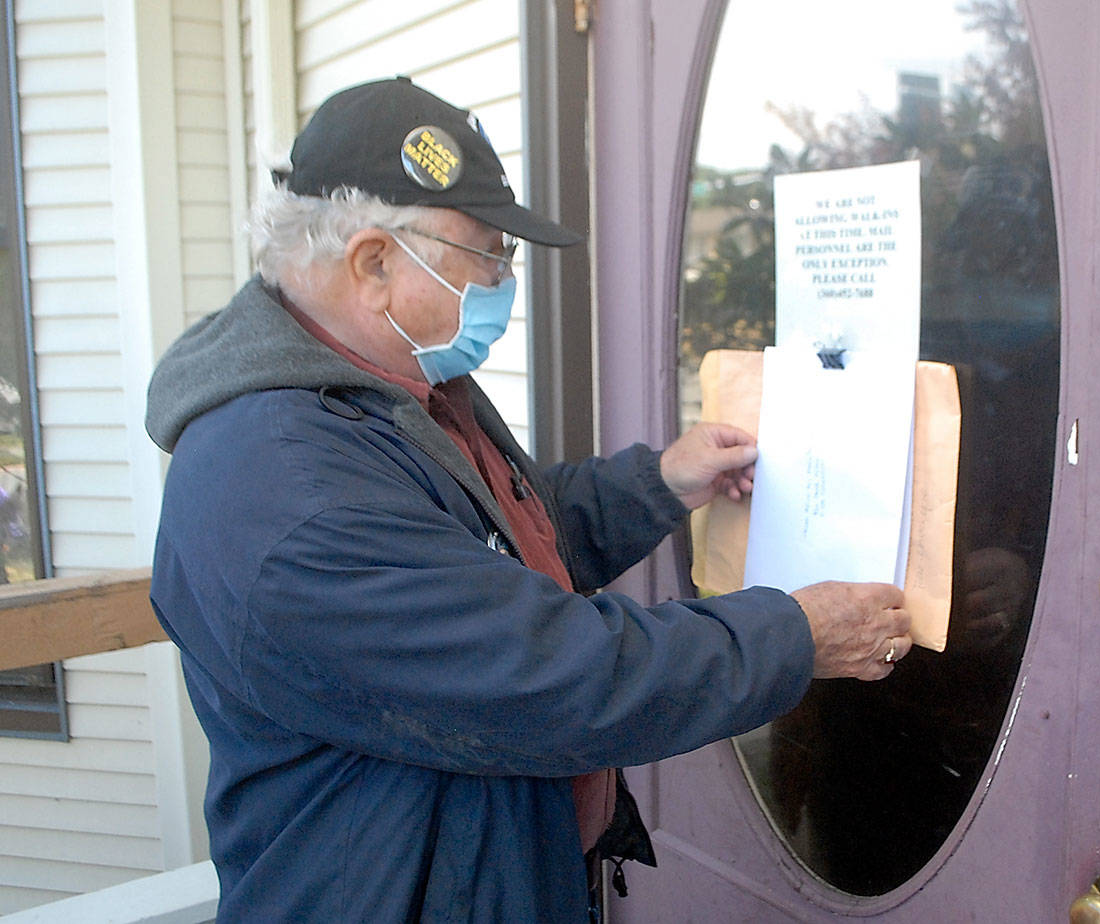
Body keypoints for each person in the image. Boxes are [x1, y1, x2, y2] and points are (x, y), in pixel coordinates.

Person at [145, 76, 912, 922]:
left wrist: (659, 483)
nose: (505, 282)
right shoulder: (286, 493)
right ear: (373, 264)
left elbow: (495, 544)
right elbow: (549, 673)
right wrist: (796, 635)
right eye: (487, 258)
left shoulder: (397, 386)